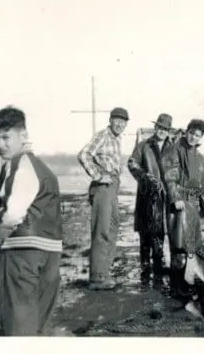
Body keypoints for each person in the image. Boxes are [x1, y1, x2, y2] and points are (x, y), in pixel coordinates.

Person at [0, 106, 62, 336]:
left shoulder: (19, 165)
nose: (0, 145)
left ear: (24, 135)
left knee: (18, 325)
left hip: (21, 253)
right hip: (49, 252)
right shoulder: (41, 167)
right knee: (36, 324)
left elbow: (12, 214)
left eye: (6, 137)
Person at [161, 118, 204, 301]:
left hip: (192, 204)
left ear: (201, 137)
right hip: (179, 204)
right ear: (186, 131)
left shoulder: (199, 157)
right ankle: (176, 289)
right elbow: (170, 176)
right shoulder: (174, 149)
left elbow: (201, 183)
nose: (193, 137)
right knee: (178, 247)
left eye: (197, 135)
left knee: (190, 246)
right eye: (191, 133)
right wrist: (175, 198)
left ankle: (182, 283)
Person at [77, 107, 129, 290]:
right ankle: (97, 278)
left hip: (113, 185)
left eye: (123, 122)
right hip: (103, 186)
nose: (119, 124)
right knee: (102, 230)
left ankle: (104, 273)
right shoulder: (103, 136)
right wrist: (98, 176)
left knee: (113, 228)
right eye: (117, 120)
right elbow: (84, 154)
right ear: (110, 120)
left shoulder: (116, 139)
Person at [127, 113, 177, 286]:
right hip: (146, 194)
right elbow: (132, 163)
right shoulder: (144, 145)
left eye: (165, 129)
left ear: (168, 131)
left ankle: (157, 266)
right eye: (160, 127)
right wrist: (143, 177)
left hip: (165, 196)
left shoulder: (173, 147)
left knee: (159, 230)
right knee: (145, 231)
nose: (162, 131)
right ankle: (144, 267)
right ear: (155, 127)